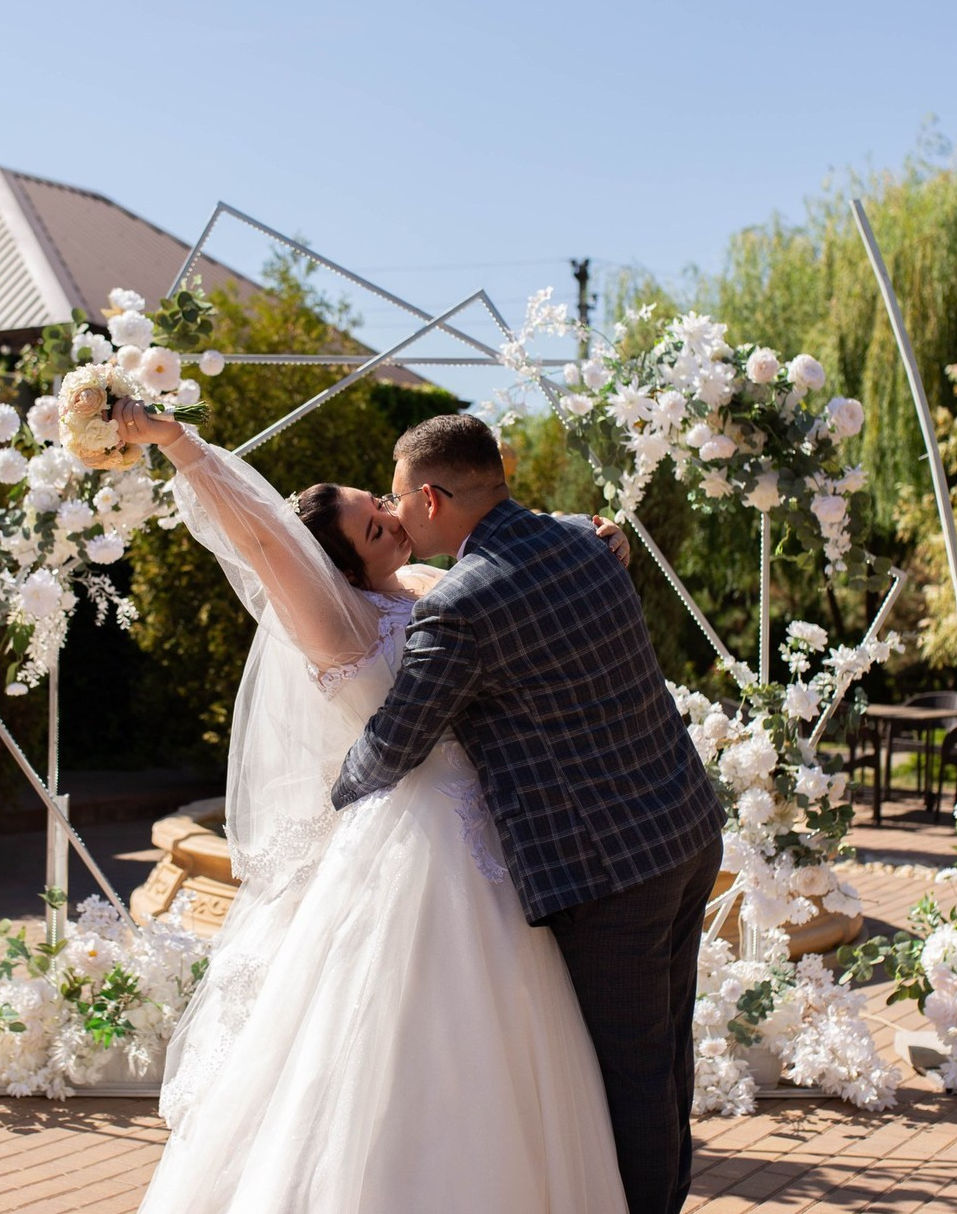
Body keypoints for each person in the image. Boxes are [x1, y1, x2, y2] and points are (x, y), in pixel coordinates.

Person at [112, 397, 632, 1214]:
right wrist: (180, 444)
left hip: (488, 825)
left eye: (384, 503)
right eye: (369, 523)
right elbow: (256, 536)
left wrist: (592, 537)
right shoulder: (335, 620)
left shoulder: (426, 582)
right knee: (387, 1034)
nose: (390, 517)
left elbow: (505, 561)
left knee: (509, 1034)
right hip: (407, 836)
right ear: (332, 563)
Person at [331, 413, 726, 1214]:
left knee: (633, 1078)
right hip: (683, 829)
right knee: (663, 1058)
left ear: (434, 498)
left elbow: (395, 741)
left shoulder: (464, 605)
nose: (395, 511)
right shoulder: (584, 540)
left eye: (398, 496)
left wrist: (330, 802)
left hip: (611, 871)